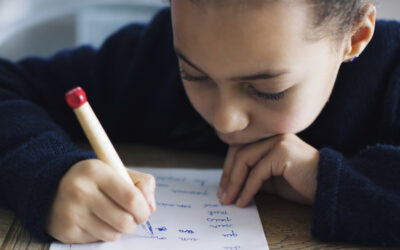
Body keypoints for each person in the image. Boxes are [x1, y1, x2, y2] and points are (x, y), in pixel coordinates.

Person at [0, 0, 399, 246]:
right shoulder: (152, 59)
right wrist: (47, 174)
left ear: (354, 37)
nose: (225, 119)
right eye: (194, 74)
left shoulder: (391, 73)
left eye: (267, 89)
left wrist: (326, 178)